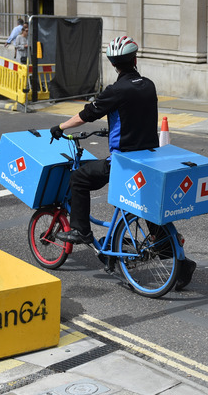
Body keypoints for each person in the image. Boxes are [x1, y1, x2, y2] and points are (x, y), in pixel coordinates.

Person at [49, 36, 159, 245]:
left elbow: (87, 115)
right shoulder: (149, 85)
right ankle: (162, 240)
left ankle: (81, 231)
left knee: (79, 178)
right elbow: (133, 115)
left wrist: (60, 127)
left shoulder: (116, 91)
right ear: (135, 60)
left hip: (124, 160)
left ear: (112, 64)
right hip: (150, 158)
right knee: (144, 199)